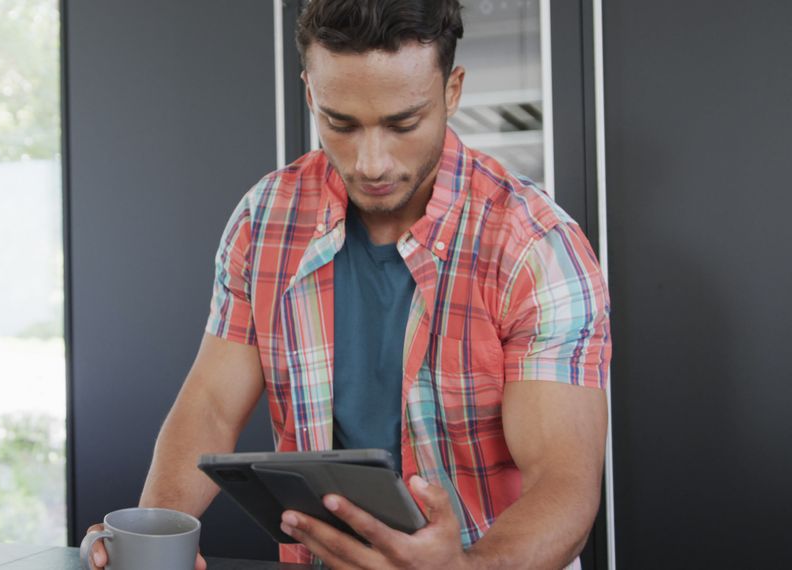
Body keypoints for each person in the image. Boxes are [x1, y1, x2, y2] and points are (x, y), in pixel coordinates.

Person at [87, 0, 610, 568]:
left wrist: (465, 568)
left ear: (451, 91)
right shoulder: (265, 220)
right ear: (310, 92)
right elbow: (211, 406)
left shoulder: (534, 246)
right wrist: (154, 536)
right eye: (341, 123)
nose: (372, 163)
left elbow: (563, 485)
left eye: (402, 123)